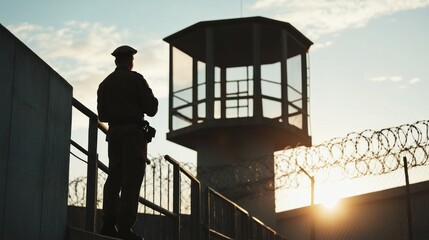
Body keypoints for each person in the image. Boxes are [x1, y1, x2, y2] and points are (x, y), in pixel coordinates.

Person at [97, 45, 158, 240]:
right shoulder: (136, 79)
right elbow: (152, 108)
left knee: (114, 176)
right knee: (131, 180)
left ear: (116, 61)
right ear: (131, 60)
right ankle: (124, 227)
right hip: (133, 134)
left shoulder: (105, 83)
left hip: (114, 133)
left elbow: (103, 115)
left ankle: (108, 223)